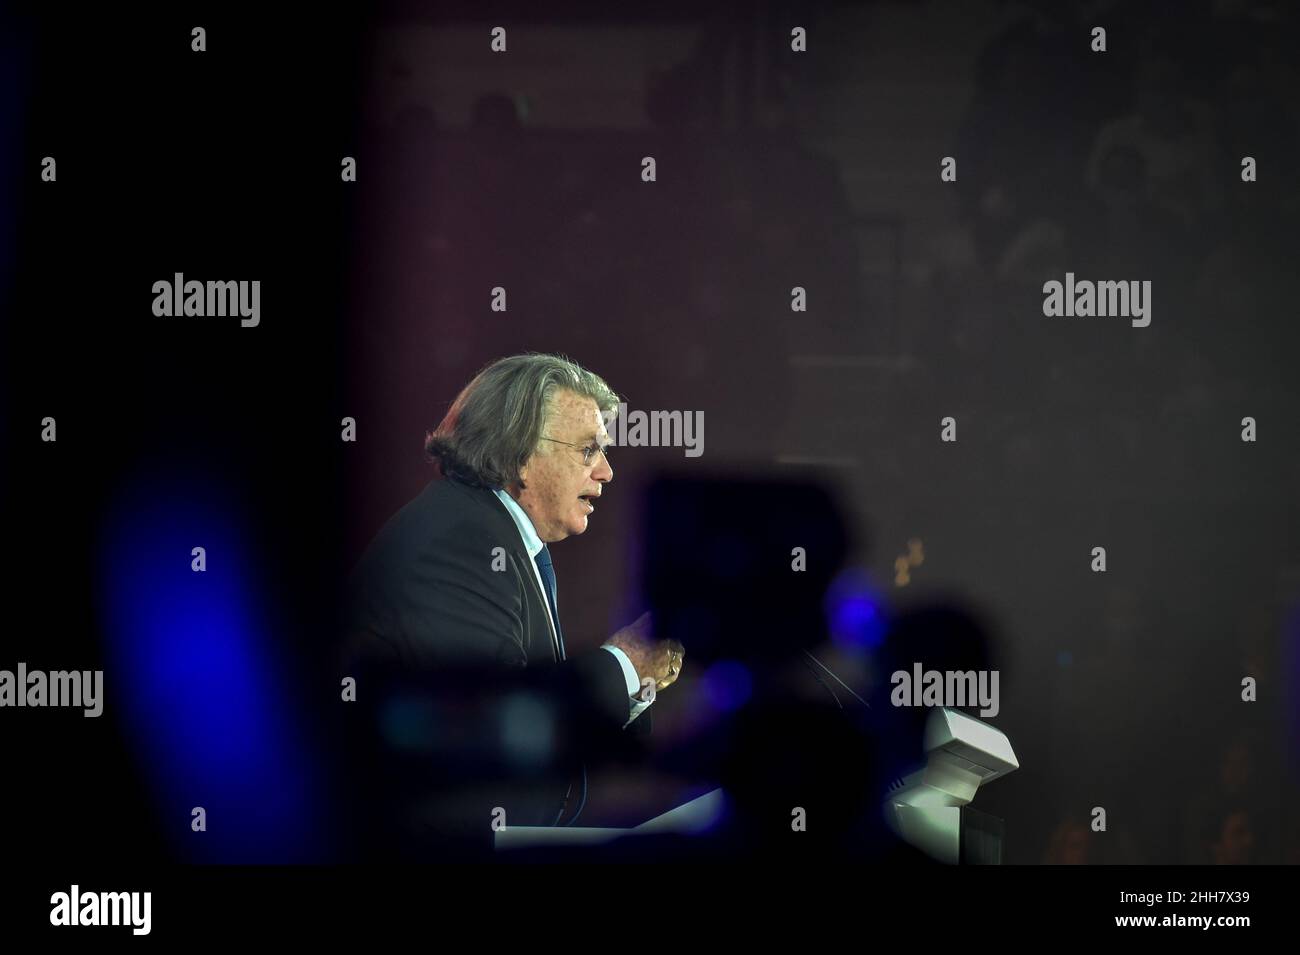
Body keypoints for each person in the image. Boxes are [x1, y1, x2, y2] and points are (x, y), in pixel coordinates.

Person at [341, 353, 684, 850]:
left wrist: (631, 679)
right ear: (522, 453)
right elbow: (495, 773)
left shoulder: (492, 534)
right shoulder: (461, 544)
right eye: (588, 450)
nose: (607, 472)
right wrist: (625, 665)